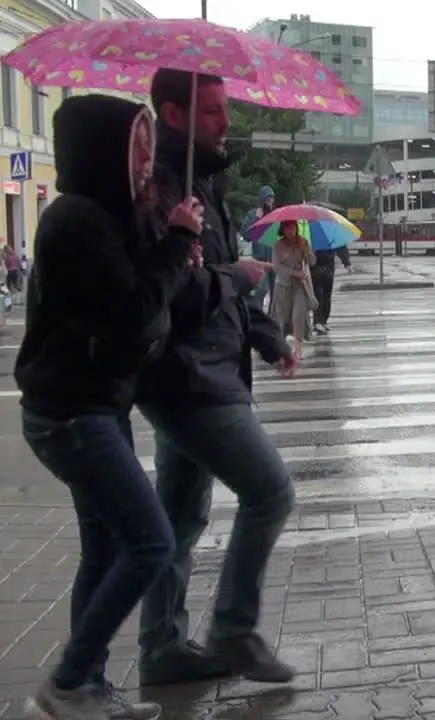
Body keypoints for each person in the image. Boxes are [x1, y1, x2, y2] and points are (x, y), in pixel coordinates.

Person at [14, 94, 241, 720]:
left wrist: (173, 248)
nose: (147, 161)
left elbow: (138, 293)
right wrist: (174, 248)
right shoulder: (77, 220)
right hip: (72, 413)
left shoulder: (106, 216)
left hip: (95, 406)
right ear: (101, 151)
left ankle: (85, 688)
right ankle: (67, 683)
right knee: (149, 542)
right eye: (137, 145)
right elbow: (134, 314)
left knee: (105, 551)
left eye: (148, 143)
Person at [134, 69, 298, 688]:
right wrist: (239, 279)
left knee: (178, 519)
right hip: (188, 377)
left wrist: (268, 338)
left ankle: (162, 647)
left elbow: (223, 277)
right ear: (174, 115)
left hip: (205, 369)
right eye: (213, 112)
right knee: (270, 491)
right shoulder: (161, 190)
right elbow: (176, 290)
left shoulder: (203, 182)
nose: (226, 123)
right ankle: (232, 627)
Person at [271, 219, 316, 348]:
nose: (291, 231)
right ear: (283, 230)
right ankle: (281, 347)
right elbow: (276, 267)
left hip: (300, 286)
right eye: (288, 229)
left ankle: (298, 347)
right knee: (283, 318)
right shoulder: (278, 246)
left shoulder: (303, 242)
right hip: (283, 286)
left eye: (293, 228)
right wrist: (293, 273)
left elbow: (312, 262)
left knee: (299, 315)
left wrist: (306, 251)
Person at [240, 186, 276, 311]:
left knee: (276, 293)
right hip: (260, 259)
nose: (270, 201)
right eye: (267, 198)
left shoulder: (276, 215)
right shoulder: (253, 215)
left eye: (271, 198)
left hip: (275, 258)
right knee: (261, 289)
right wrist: (257, 219)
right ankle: (257, 315)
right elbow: (246, 234)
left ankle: (274, 319)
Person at [310, 243, 349, 335]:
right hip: (315, 268)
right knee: (318, 295)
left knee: (327, 295)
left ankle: (324, 321)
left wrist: (346, 262)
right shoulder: (310, 237)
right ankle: (318, 322)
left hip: (329, 268)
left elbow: (341, 247)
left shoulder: (330, 236)